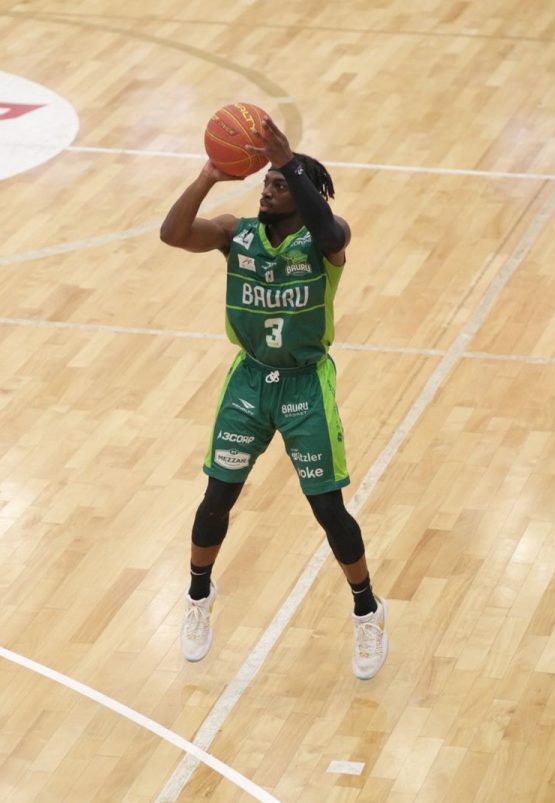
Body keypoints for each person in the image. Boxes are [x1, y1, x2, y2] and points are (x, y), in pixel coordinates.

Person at [158, 116, 387, 680]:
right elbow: (173, 234)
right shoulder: (235, 234)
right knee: (217, 497)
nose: (266, 191)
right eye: (265, 183)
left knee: (327, 509)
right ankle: (197, 598)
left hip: (306, 385)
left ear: (304, 194)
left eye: (278, 185)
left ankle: (367, 610)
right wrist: (208, 176)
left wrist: (288, 163)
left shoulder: (326, 240)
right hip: (250, 381)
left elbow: (331, 232)